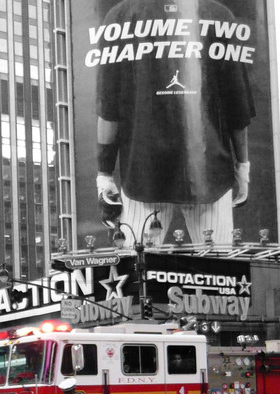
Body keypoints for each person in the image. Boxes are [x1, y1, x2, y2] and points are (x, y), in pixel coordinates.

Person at [93, 0, 254, 245]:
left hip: (144, 172)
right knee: (221, 272)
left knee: (136, 276)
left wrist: (104, 174)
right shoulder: (219, 16)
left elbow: (108, 110)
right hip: (207, 171)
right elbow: (237, 108)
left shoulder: (119, 17)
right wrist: (242, 167)